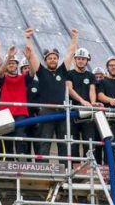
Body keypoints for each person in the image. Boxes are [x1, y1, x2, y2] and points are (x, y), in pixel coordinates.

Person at [26, 28, 78, 161]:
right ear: (46, 60)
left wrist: (74, 38)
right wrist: (28, 38)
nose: (53, 60)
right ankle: (44, 167)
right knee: (45, 141)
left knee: (64, 142)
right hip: (47, 111)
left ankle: (65, 167)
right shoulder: (42, 72)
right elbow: (32, 55)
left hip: (62, 111)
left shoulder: (62, 71)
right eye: (50, 58)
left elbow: (71, 53)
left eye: (55, 58)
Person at [0, 44, 34, 158]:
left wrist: (29, 59)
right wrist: (8, 57)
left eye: (13, 63)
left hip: (20, 112)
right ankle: (9, 161)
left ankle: (21, 159)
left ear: (17, 65)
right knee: (7, 140)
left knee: (20, 137)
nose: (11, 65)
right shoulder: (3, 78)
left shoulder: (23, 78)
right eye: (9, 63)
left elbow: (32, 73)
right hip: (5, 113)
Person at [66, 47, 97, 159]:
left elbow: (92, 90)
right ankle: (74, 166)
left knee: (89, 141)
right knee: (73, 142)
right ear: (75, 59)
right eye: (78, 58)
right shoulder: (69, 74)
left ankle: (89, 165)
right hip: (73, 111)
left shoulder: (90, 75)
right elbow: (70, 89)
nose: (81, 61)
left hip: (87, 112)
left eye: (83, 59)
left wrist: (93, 102)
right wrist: (82, 101)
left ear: (87, 60)